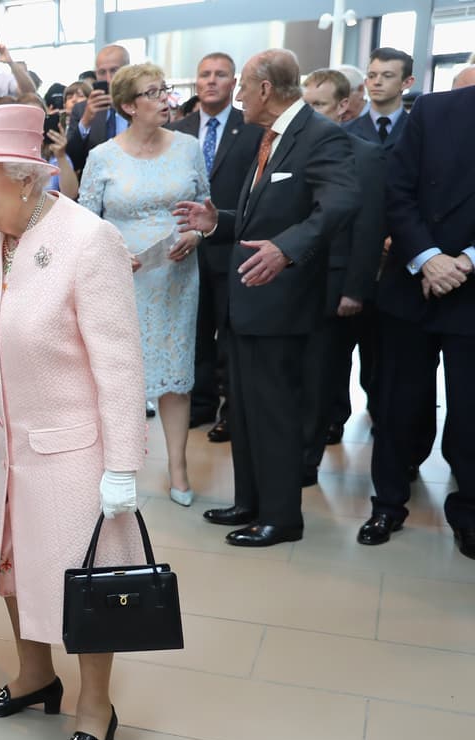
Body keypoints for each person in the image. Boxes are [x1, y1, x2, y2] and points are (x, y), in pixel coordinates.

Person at [0, 104, 145, 740]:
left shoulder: (89, 240)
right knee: (14, 567)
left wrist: (123, 466)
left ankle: (95, 706)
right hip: (13, 446)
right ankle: (33, 675)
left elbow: (119, 363)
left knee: (84, 584)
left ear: (25, 177)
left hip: (76, 452)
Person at [175, 49, 358, 547]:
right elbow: (264, 221)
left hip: (282, 303)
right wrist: (219, 224)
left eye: (241, 88)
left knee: (274, 411)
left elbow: (339, 204)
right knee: (246, 409)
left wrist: (287, 249)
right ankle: (250, 501)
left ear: (262, 90)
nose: (235, 97)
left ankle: (281, 517)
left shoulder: (321, 137)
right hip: (249, 302)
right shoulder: (270, 137)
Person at [79, 63, 208, 505]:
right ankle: (119, 465)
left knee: (176, 377)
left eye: (166, 90)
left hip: (176, 277)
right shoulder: (103, 157)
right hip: (123, 279)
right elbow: (85, 223)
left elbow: (205, 209)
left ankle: (178, 467)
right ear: (130, 106)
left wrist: (197, 234)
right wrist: (114, 254)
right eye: (153, 93)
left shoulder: (189, 148)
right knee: (120, 376)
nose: (165, 100)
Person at [358, 82, 475, 556]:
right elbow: (397, 189)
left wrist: (465, 261)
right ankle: (387, 504)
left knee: (471, 412)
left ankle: (469, 512)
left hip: (471, 286)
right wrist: (428, 258)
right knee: (396, 403)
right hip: (414, 279)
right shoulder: (433, 109)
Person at [170, 52, 264, 443]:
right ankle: (201, 404)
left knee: (228, 333)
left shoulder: (254, 128)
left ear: (233, 82)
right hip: (186, 248)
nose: (211, 81)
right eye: (204, 74)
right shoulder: (178, 130)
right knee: (195, 330)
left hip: (231, 245)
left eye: (220, 75)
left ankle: (230, 411)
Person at [299, 68, 386, 485]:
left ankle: (307, 459)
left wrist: (355, 288)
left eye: (319, 104)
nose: (310, 112)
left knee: (321, 374)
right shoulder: (293, 149)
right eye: (306, 103)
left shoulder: (365, 154)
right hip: (293, 280)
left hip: (336, 284)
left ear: (343, 107)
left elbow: (369, 227)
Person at [65, 44, 131, 172]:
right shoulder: (81, 110)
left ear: (127, 70)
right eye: (102, 72)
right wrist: (85, 122)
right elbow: (72, 160)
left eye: (114, 71)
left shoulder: (141, 105)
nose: (108, 79)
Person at [345, 48, 413, 146]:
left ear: (406, 82)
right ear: (366, 82)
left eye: (387, 76)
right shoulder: (345, 131)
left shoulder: (420, 131)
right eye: (372, 76)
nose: (377, 82)